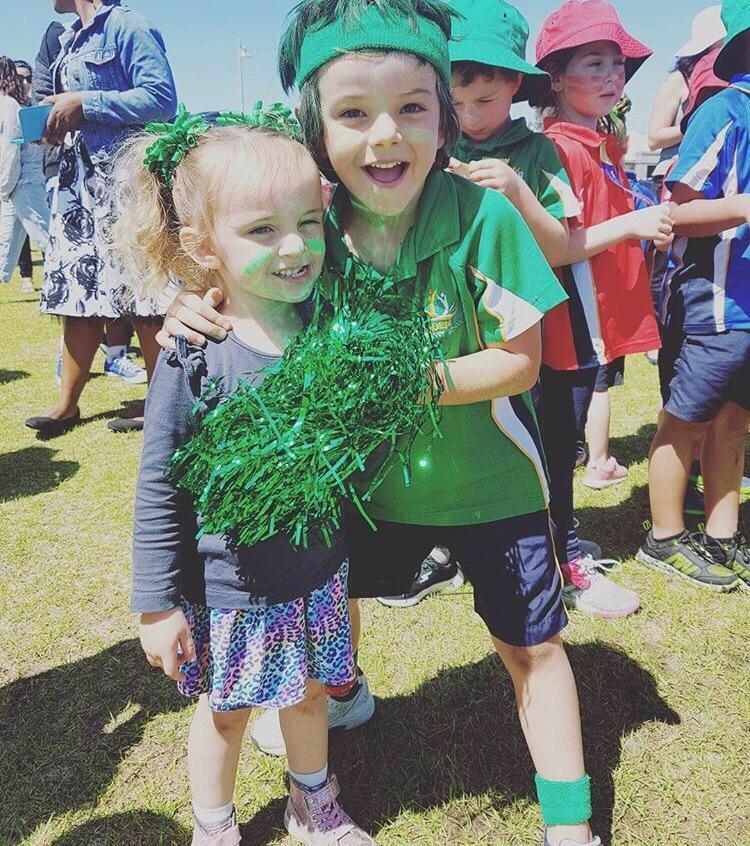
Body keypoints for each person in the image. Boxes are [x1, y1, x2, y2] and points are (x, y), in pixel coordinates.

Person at [163, 3, 606, 844]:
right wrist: (194, 306)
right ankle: (345, 689)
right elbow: (240, 286)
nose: (385, 136)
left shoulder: (486, 220)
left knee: (532, 649)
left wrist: (397, 381)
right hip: (359, 492)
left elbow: (520, 363)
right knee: (335, 601)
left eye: (412, 106)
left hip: (493, 487)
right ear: (314, 130)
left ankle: (569, 821)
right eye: (353, 113)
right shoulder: (311, 231)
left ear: (445, 118)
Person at [121, 111, 376, 845]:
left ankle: (312, 803)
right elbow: (159, 488)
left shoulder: (330, 323)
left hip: (317, 574)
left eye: (308, 222)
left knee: (307, 697)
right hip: (234, 590)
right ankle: (214, 823)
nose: (295, 247)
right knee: (226, 713)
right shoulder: (193, 353)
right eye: (262, 230)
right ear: (204, 247)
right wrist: (155, 606)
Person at [530, 0, 673, 618]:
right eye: (594, 62)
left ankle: (556, 545)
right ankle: (557, 564)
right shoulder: (561, 149)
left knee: (562, 446)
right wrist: (636, 221)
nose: (613, 74)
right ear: (557, 78)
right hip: (567, 327)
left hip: (588, 325)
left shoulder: (596, 143)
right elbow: (560, 247)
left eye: (617, 63)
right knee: (558, 447)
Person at [24, 0, 177, 438]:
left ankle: (159, 403)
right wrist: (54, 120)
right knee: (79, 295)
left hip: (126, 179)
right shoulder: (71, 37)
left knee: (146, 298)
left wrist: (85, 103)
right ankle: (66, 405)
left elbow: (161, 98)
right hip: (81, 185)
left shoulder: (129, 25)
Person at [637, 0, 750, 593]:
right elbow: (675, 210)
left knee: (734, 422)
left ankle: (723, 535)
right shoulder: (726, 110)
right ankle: (662, 536)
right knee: (685, 422)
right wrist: (742, 207)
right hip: (716, 304)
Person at [647, 5, 726, 160]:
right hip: (673, 175)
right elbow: (654, 139)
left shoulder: (734, 79)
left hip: (715, 176)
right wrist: (697, 125)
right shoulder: (679, 79)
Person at [0, 57, 49, 292]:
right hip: (18, 184)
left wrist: (3, 187)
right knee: (7, 243)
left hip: (22, 184)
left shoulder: (9, 106)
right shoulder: (14, 105)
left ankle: (73, 282)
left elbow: (10, 150)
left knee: (44, 236)